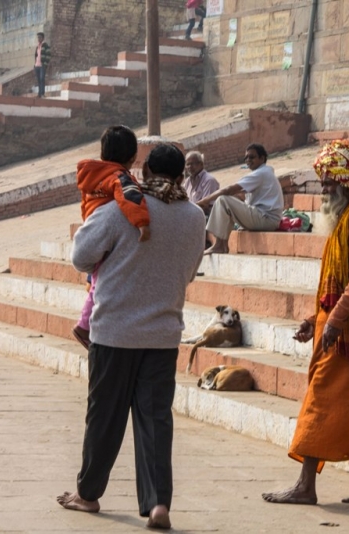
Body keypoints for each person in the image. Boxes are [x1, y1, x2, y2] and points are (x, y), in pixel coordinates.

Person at [57, 143, 207, 529]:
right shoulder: (194, 217)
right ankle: (158, 504)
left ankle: (88, 495)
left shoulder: (116, 211)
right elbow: (189, 271)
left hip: (113, 333)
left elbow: (80, 257)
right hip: (162, 334)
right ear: (180, 177)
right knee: (155, 421)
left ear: (143, 171)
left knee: (104, 416)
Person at [262, 139, 349, 506]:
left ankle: (305, 486)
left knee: (321, 401)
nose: (323, 187)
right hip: (337, 325)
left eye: (329, 180)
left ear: (348, 183)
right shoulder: (344, 221)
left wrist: (334, 321)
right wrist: (314, 318)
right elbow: (334, 285)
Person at [71, 125, 150, 349]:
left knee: (95, 282)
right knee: (97, 284)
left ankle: (86, 324)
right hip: (107, 236)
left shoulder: (92, 175)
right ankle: (84, 326)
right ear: (133, 156)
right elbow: (129, 197)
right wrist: (141, 223)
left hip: (93, 230)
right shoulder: (119, 177)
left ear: (103, 153)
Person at [202, 143, 283, 255]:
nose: (248, 160)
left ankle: (219, 245)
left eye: (252, 157)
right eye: (246, 157)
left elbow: (228, 190)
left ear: (262, 158)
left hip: (267, 219)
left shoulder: (261, 173)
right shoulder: (263, 173)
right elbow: (237, 196)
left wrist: (203, 202)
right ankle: (222, 245)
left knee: (223, 200)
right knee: (226, 202)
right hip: (264, 218)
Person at [34, 32, 51, 98]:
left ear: (43, 38)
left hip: (42, 66)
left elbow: (48, 55)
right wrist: (34, 64)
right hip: (37, 66)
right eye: (38, 37)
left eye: (40, 37)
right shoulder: (37, 46)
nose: (39, 39)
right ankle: (39, 94)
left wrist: (45, 64)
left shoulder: (45, 45)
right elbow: (36, 56)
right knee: (38, 80)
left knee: (42, 79)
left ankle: (42, 93)